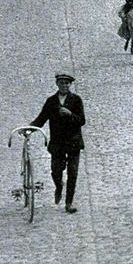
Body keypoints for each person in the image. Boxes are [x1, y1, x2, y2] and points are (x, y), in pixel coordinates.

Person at [30, 73, 86, 214]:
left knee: (73, 173)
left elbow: (82, 120)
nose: (64, 85)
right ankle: (59, 186)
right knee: (56, 171)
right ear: (57, 84)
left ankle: (68, 203)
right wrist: (29, 129)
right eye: (62, 83)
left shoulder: (76, 100)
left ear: (70, 85)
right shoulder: (51, 101)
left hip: (74, 143)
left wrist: (70, 114)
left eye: (67, 83)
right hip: (58, 143)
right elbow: (41, 119)